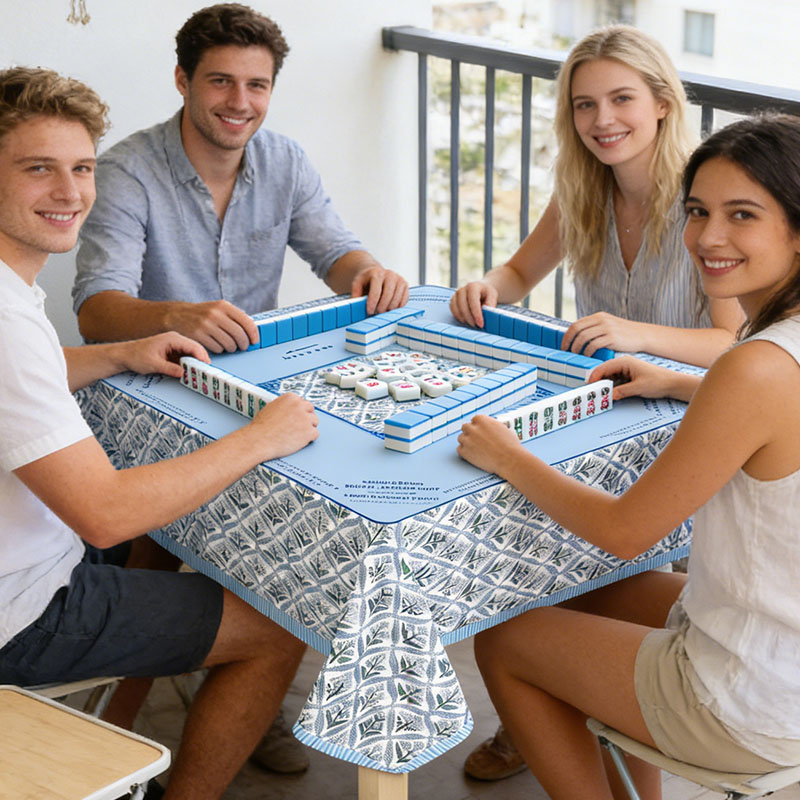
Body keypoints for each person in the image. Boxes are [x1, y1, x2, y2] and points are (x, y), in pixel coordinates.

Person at [457, 113, 800, 799]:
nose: (708, 238)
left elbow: (623, 532)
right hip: (778, 645)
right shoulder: (764, 361)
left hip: (756, 702)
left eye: (742, 215)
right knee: (589, 592)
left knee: (503, 640)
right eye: (698, 212)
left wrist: (508, 456)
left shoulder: (754, 367)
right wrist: (681, 382)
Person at [0, 66, 321, 799]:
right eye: (38, 169)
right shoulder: (7, 325)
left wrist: (120, 353)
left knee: (164, 540)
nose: (70, 192)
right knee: (285, 625)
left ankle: (114, 742)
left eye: (82, 168)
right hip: (21, 610)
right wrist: (261, 437)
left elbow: (28, 379)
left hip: (27, 554)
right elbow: (104, 511)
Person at [72, 3, 408, 355]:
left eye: (256, 85)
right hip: (151, 372)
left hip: (253, 364)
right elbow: (95, 311)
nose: (239, 102)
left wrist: (369, 273)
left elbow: (335, 254)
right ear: (183, 80)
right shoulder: (125, 173)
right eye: (221, 81)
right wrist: (177, 317)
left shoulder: (286, 161)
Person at [450, 26, 744, 371]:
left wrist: (635, 334)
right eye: (586, 104)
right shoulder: (580, 191)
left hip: (693, 396)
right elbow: (517, 273)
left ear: (662, 103)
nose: (603, 120)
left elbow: (732, 341)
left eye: (622, 99)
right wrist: (486, 287)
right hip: (601, 390)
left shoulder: (705, 198)